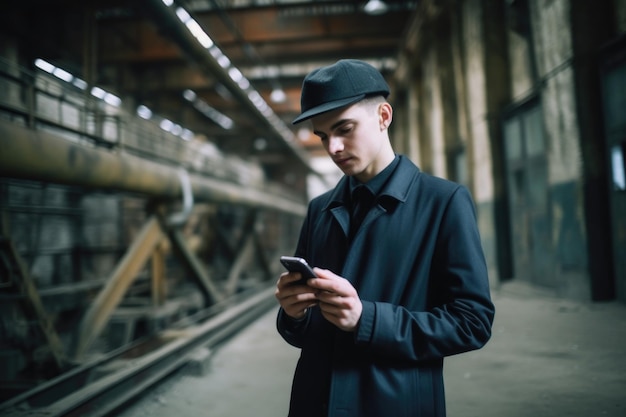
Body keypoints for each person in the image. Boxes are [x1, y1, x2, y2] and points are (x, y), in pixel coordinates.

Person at [274, 59, 495, 417]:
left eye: (344, 129)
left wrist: (368, 320)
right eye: (324, 136)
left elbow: (472, 323)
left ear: (383, 116)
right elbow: (303, 333)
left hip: (394, 403)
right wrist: (294, 314)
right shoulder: (319, 210)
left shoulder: (443, 202)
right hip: (316, 400)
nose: (333, 148)